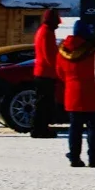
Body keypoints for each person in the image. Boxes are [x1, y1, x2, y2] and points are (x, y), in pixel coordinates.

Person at [57, 26, 95, 168]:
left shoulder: (63, 51)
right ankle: (93, 158)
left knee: (75, 128)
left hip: (72, 94)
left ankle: (74, 158)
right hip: (91, 93)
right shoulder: (93, 51)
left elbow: (60, 73)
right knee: (93, 128)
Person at [29, 10, 61, 139]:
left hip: (42, 72)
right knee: (44, 103)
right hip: (46, 73)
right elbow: (50, 55)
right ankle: (39, 129)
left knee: (42, 102)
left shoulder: (43, 30)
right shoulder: (47, 32)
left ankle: (39, 127)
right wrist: (59, 68)